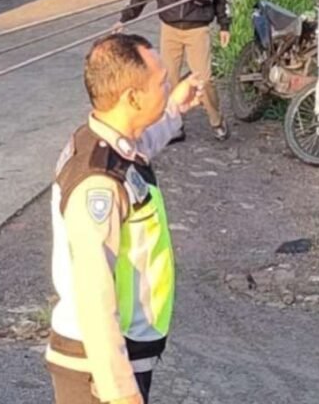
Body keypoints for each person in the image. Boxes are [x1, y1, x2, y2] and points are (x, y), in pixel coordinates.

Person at [46, 33, 203, 404]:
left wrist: (174, 111)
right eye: (162, 83)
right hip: (95, 369)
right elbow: (94, 296)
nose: (168, 87)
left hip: (112, 359)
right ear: (132, 98)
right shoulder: (97, 184)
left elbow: (138, 148)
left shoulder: (103, 142)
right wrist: (119, 392)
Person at [118, 0, 230, 141]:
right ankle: (174, 125)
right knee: (168, 80)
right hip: (170, 29)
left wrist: (225, 24)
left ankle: (216, 121)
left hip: (198, 29)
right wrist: (126, 18)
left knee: (204, 80)